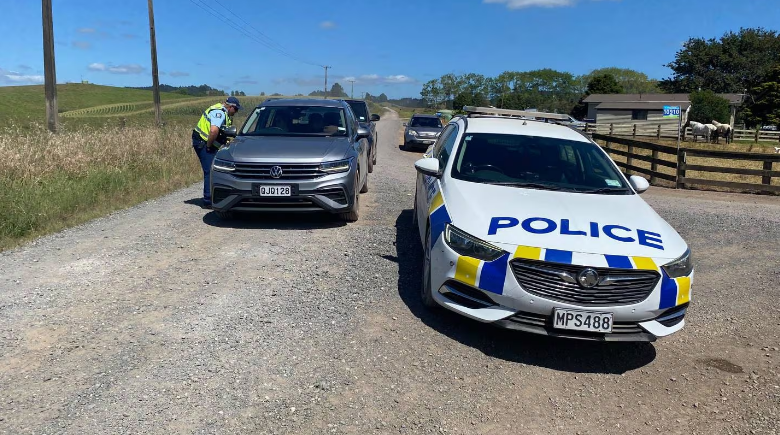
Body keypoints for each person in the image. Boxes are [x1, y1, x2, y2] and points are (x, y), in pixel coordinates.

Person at [192, 96, 241, 207]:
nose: (236, 112)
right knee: (209, 170)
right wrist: (209, 146)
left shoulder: (225, 113)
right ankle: (208, 200)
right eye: (236, 109)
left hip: (205, 142)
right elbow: (214, 131)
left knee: (212, 169)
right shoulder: (219, 113)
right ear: (230, 107)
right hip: (203, 142)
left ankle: (213, 196)